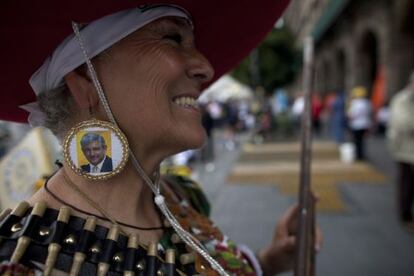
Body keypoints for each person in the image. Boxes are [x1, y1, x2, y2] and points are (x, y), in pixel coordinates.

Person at [0, 1, 321, 275]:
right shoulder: (18, 258)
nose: (206, 68)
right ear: (86, 81)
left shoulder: (182, 197)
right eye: (171, 38)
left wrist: (269, 261)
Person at [387, 72, 414, 230]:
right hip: (404, 150)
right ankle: (405, 215)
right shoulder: (402, 99)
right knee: (407, 183)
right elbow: (403, 123)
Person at [347, 86, 373, 160]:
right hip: (365, 124)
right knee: (362, 141)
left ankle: (358, 155)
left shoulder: (355, 103)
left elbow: (351, 114)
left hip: (356, 125)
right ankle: (361, 154)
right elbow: (370, 113)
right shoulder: (367, 103)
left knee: (356, 141)